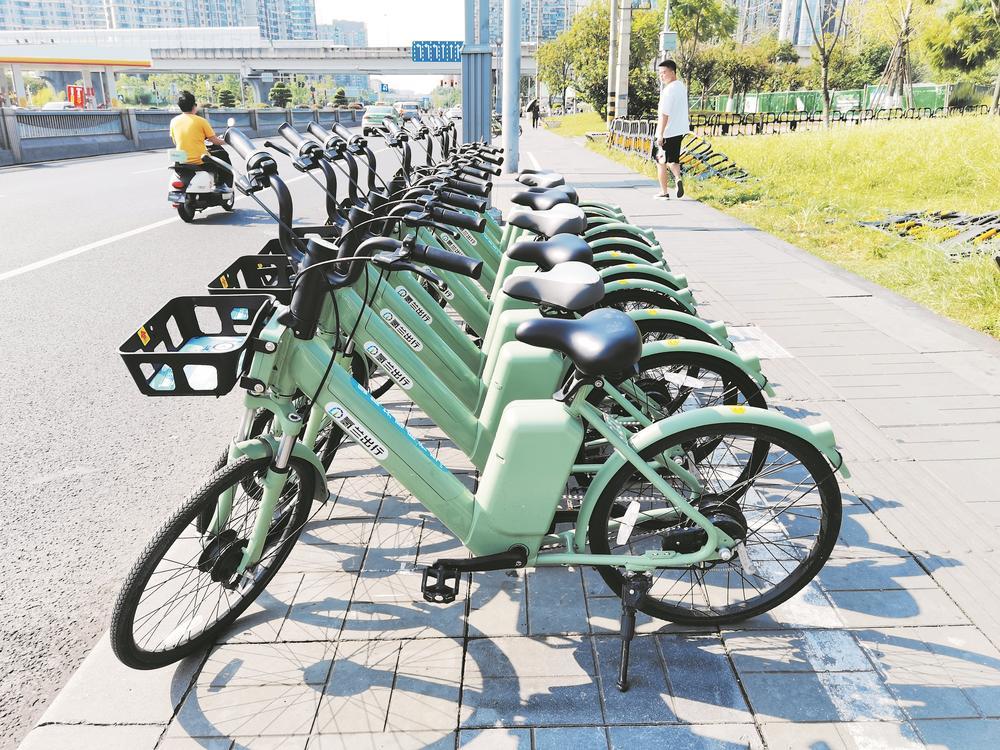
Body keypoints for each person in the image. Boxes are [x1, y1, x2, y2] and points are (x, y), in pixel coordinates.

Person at [169, 90, 232, 189]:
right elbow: (215, 141)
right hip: (200, 161)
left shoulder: (174, 121)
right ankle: (221, 185)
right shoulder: (201, 121)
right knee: (222, 154)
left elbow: (175, 141)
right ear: (194, 106)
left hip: (181, 161)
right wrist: (227, 141)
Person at [653, 59, 689, 200]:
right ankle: (678, 178)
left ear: (673, 72)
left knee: (660, 161)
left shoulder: (668, 91)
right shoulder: (681, 87)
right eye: (660, 73)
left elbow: (664, 114)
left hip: (667, 131)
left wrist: (660, 134)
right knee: (673, 159)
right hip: (679, 130)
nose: (661, 76)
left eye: (664, 72)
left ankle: (664, 192)